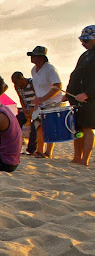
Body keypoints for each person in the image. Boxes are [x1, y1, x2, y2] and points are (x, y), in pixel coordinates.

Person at [66, 25, 95, 166]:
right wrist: (68, 93)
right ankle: (77, 157)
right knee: (77, 128)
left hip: (92, 99)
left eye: (87, 40)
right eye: (82, 40)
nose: (83, 43)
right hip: (78, 98)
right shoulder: (85, 56)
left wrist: (88, 93)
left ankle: (85, 160)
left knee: (87, 127)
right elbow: (75, 74)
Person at [28, 45, 63, 159]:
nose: (32, 57)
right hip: (40, 103)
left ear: (41, 57)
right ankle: (40, 150)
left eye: (34, 55)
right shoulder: (34, 70)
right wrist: (37, 100)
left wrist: (43, 98)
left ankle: (48, 152)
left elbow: (58, 86)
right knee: (39, 126)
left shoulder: (50, 69)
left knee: (49, 126)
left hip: (52, 102)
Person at [11, 71, 38, 154]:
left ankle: (31, 149)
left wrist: (33, 108)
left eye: (17, 82)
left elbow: (38, 96)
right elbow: (21, 98)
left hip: (37, 107)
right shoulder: (17, 87)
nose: (16, 84)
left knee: (35, 126)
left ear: (22, 79)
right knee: (15, 122)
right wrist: (24, 109)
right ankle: (14, 146)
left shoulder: (32, 83)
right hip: (27, 108)